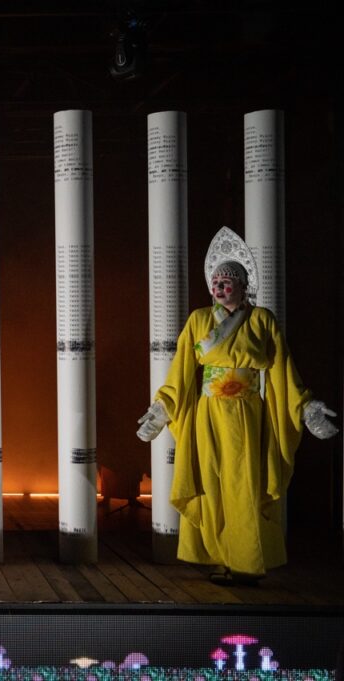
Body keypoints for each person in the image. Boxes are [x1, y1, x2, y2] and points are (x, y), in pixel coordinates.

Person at [136, 227, 338, 584]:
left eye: (227, 281)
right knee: (210, 485)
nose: (219, 287)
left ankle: (245, 562)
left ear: (244, 286)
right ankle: (218, 557)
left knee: (243, 486)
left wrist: (305, 408)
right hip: (208, 414)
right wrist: (162, 408)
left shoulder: (262, 320)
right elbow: (181, 371)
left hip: (247, 415)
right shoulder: (199, 319)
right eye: (216, 281)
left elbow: (282, 371)